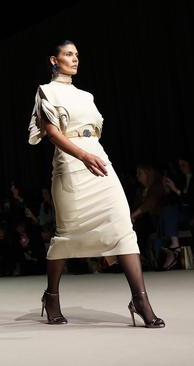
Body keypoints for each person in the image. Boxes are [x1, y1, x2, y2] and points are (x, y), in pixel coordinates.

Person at [27, 40, 164, 328]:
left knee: (122, 225)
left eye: (77, 54)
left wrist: (91, 154)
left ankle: (140, 299)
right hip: (70, 163)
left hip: (98, 159)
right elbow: (51, 133)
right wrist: (82, 155)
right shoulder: (46, 92)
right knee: (66, 234)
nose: (75, 59)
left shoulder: (86, 95)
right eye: (68, 54)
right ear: (54, 59)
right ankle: (51, 296)